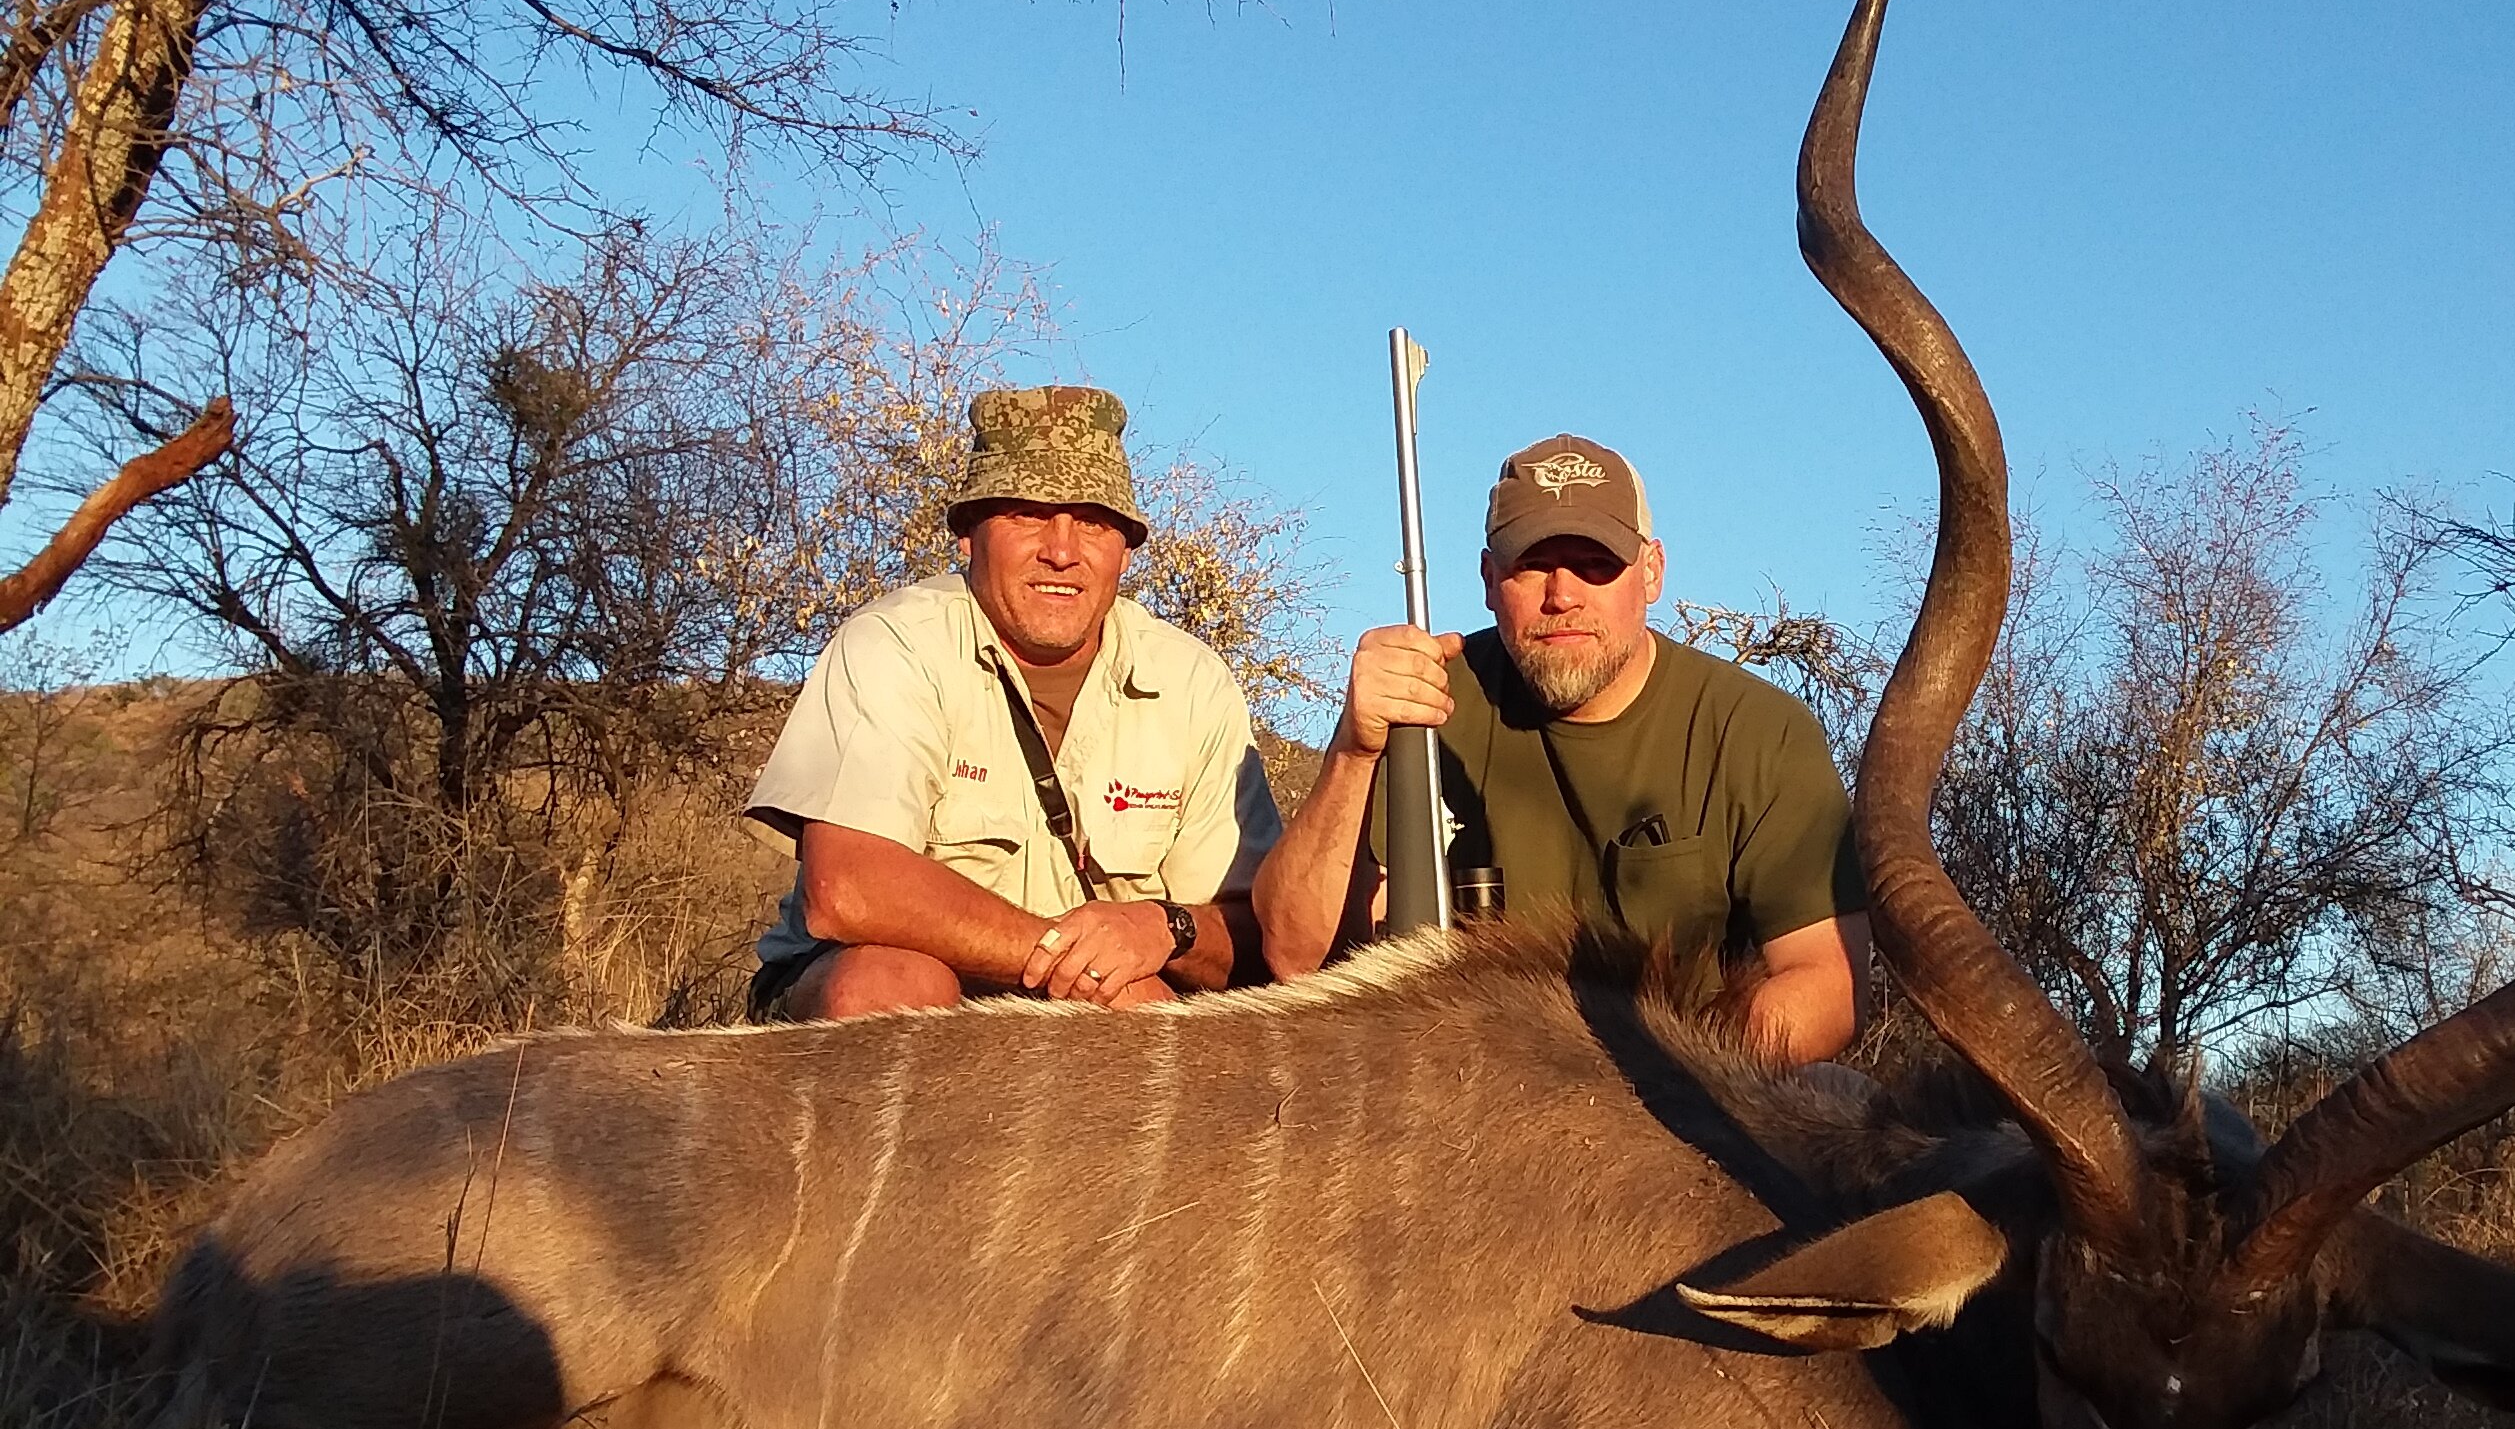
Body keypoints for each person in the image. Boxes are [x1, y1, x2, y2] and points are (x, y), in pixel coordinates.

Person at [1252, 432, 1868, 1062]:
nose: (1563, 595)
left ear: (1651, 571)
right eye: (1533, 564)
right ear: (1491, 580)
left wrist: (1670, 1076)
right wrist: (1353, 752)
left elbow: (1829, 982)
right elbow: (1294, 952)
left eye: (1596, 563)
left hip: (1681, 1089)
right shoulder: (1426, 702)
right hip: (1458, 1086)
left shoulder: (1761, 731)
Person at [745, 384, 1280, 1020]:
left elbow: (1252, 937)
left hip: (1089, 1017)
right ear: (969, 535)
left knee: (1151, 1023)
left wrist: (1166, 929)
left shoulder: (1194, 682)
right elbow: (848, 890)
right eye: (1028, 514)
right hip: (896, 992)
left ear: (1126, 550)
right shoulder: (894, 643)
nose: (1062, 550)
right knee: (891, 986)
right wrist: (1074, 963)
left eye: (1093, 521)